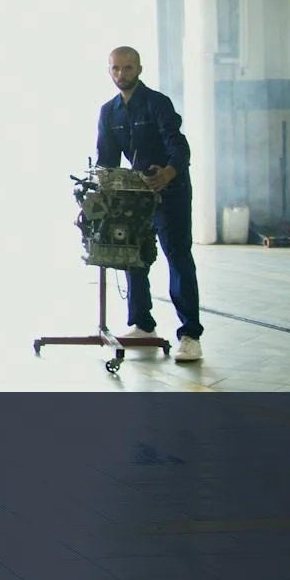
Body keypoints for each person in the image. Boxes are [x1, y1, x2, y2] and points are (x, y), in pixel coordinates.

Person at [95, 46, 203, 362]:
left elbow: (179, 147)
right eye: (115, 68)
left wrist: (168, 173)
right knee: (134, 256)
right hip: (136, 196)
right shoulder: (109, 112)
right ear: (109, 70)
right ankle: (143, 325)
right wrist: (102, 194)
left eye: (128, 68)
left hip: (171, 193)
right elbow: (106, 161)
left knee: (178, 257)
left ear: (139, 69)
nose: (121, 74)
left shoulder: (157, 103)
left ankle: (191, 336)